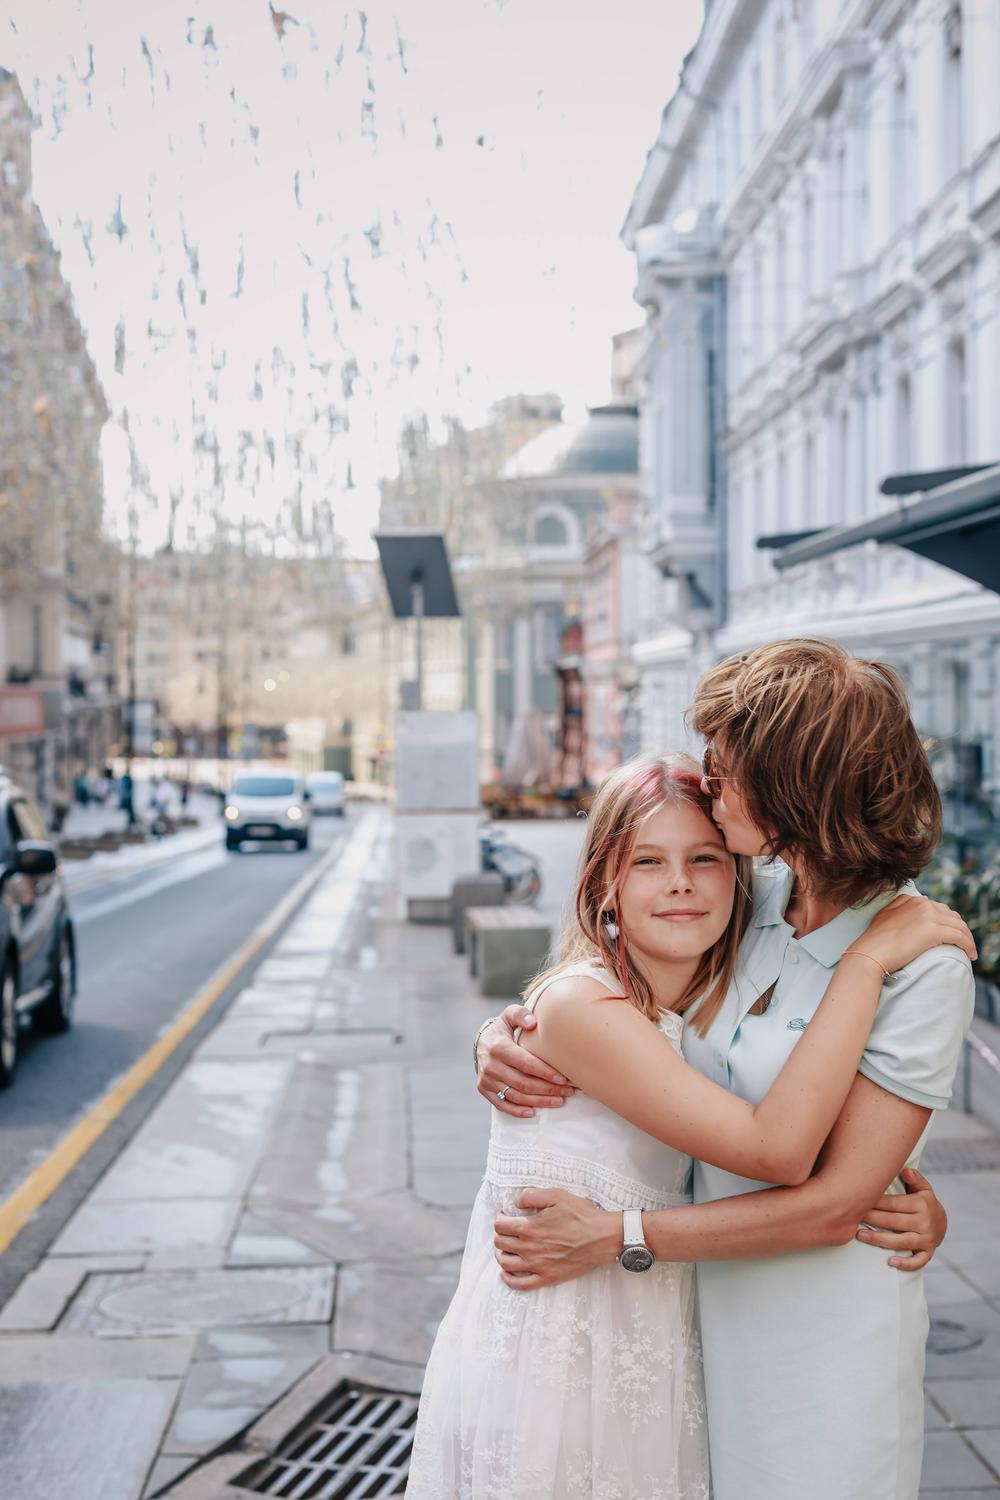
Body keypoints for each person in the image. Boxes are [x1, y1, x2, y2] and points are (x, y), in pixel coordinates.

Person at [477, 640, 977, 1500]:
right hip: (690, 1323)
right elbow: (628, 994)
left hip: (819, 1343)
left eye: (729, 763)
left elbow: (831, 1204)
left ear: (796, 783)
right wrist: (511, 1030)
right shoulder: (752, 903)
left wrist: (618, 1238)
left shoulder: (923, 963)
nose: (710, 780)